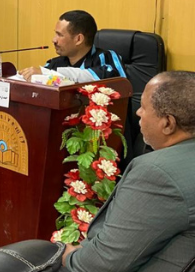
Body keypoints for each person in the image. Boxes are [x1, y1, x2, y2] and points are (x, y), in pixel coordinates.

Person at [60, 71, 195, 271]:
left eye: (143, 107)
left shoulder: (156, 173)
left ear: (168, 123)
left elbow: (100, 265)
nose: (138, 113)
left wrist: (68, 256)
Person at [20, 10, 125, 82]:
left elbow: (118, 83)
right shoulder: (54, 63)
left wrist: (47, 73)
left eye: (60, 35)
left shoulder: (106, 57)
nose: (54, 40)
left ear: (78, 39)